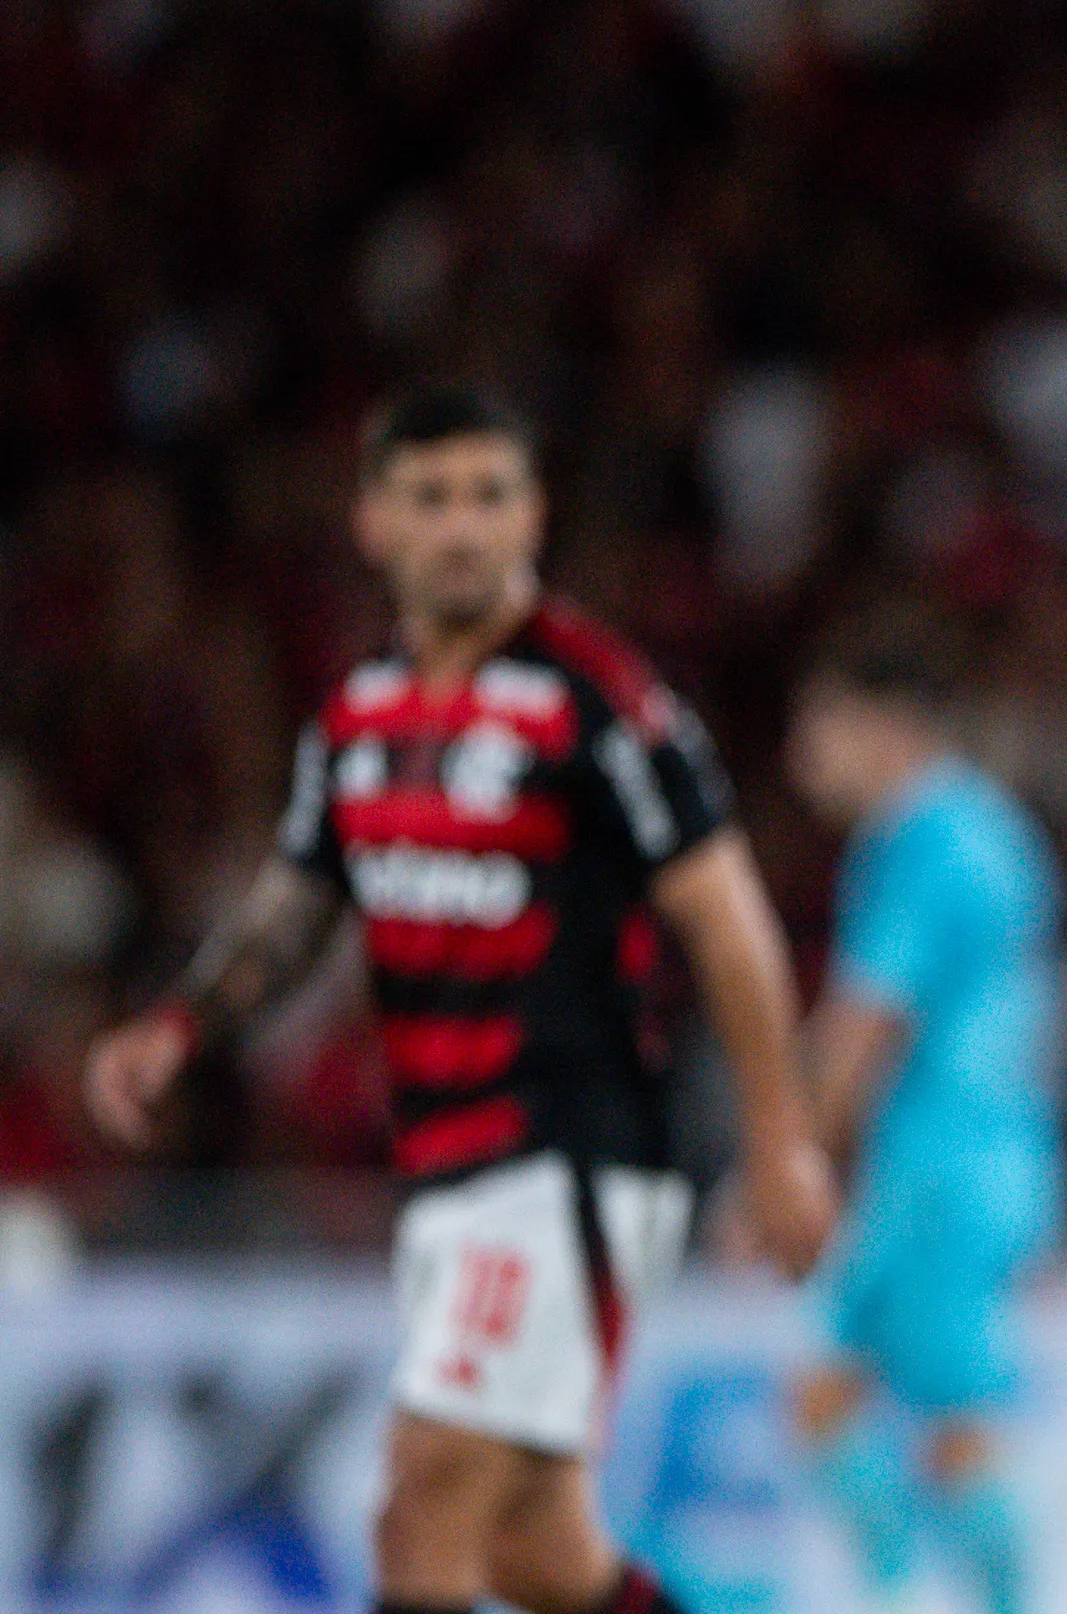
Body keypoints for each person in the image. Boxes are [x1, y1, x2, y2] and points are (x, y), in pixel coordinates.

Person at [84, 386, 836, 1614]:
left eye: (490, 494)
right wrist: (180, 1025)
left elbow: (728, 914)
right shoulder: (358, 715)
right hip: (441, 1168)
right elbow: (298, 899)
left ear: (534, 514)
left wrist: (782, 1139)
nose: (463, 526)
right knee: (536, 1554)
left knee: (418, 1503)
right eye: (430, 497)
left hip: (566, 1157)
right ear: (374, 522)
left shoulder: (600, 699)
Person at [784, 610, 1067, 1614]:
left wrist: (787, 1160)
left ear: (881, 723)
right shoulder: (995, 830)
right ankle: (898, 1589)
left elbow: (865, 1022)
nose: (802, 755)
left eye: (818, 725)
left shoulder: (921, 839)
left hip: (943, 1165)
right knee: (821, 1397)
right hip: (988, 1153)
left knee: (954, 1425)